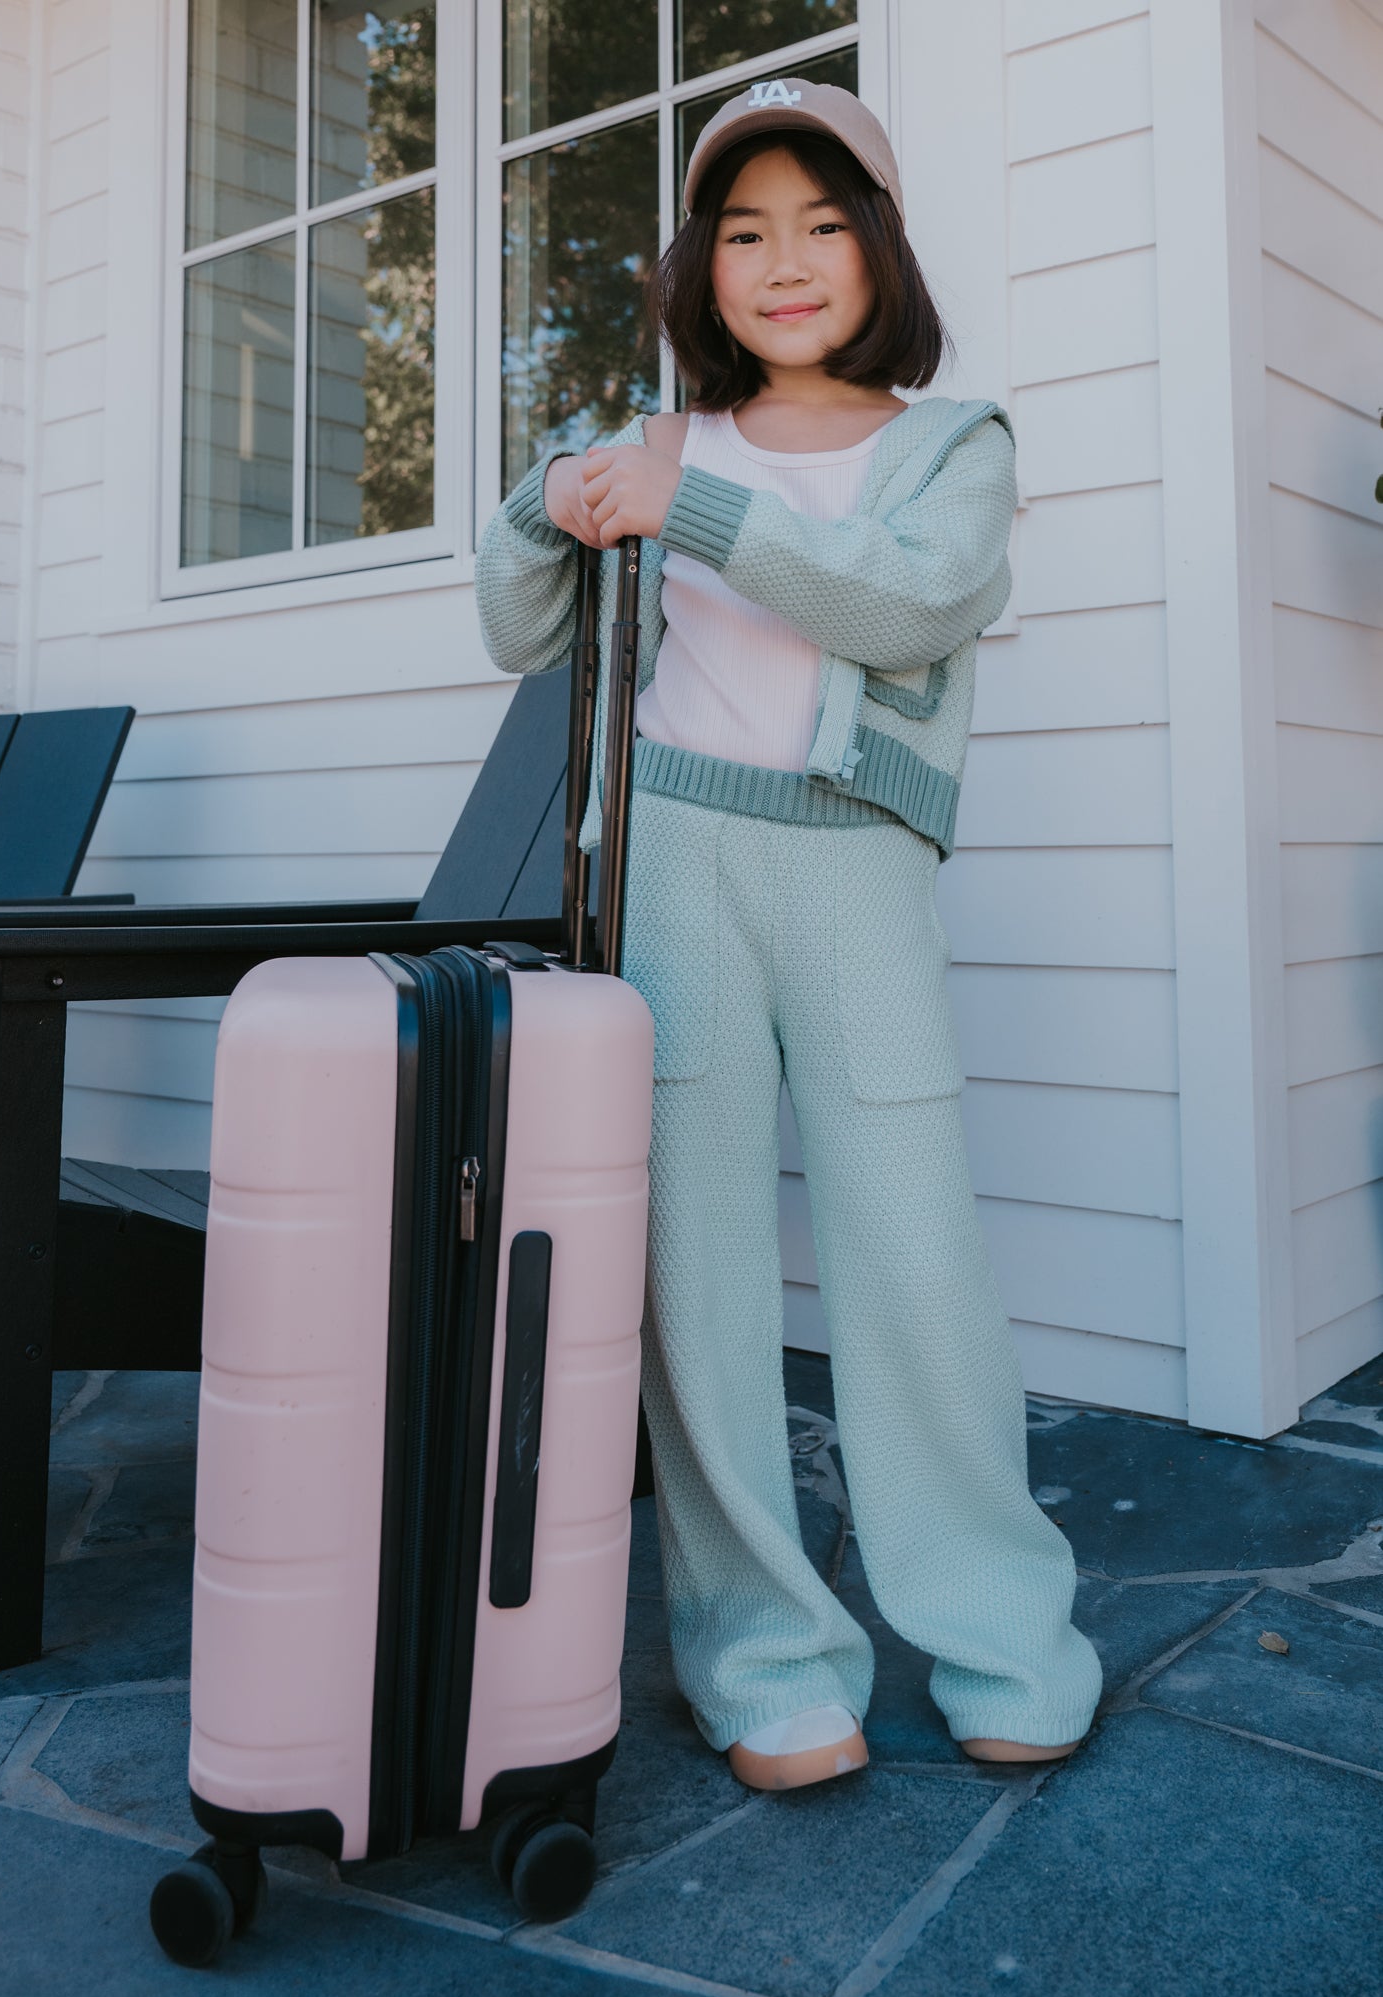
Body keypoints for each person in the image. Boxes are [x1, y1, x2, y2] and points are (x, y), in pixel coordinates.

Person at [475, 79, 1103, 1793]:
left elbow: (906, 600)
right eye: (744, 231)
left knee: (913, 1254)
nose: (784, 261)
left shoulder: (949, 445)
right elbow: (516, 624)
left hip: (854, 872)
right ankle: (761, 1660)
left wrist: (678, 501)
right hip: (675, 863)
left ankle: (1003, 1637)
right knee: (695, 1272)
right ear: (705, 267)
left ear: (880, 248)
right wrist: (550, 497)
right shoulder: (662, 435)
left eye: (823, 224)